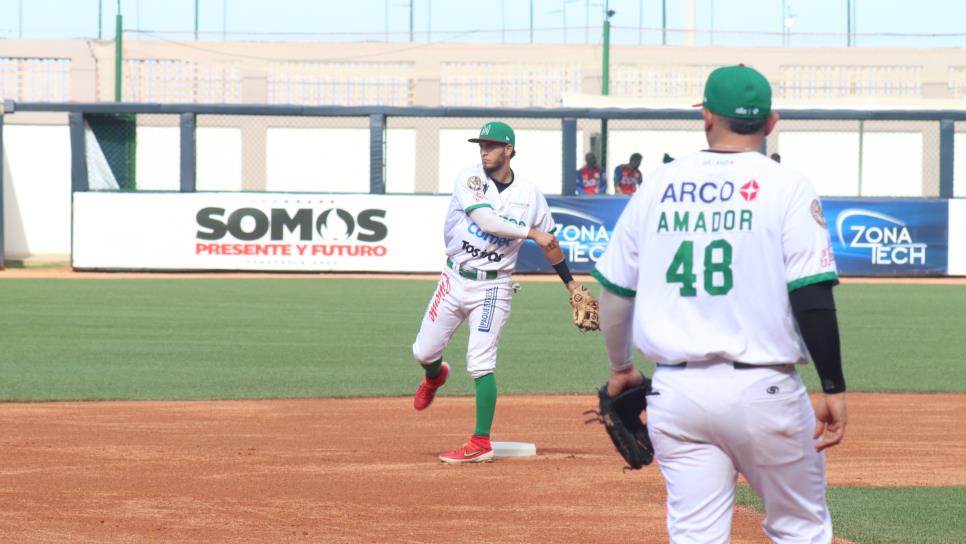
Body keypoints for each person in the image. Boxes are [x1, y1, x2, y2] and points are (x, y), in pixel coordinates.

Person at [592, 65, 847, 542]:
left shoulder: (658, 185)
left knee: (695, 535)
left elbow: (617, 291)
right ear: (771, 123)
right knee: (800, 529)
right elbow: (811, 293)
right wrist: (832, 386)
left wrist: (621, 366)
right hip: (765, 391)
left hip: (677, 394)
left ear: (706, 117)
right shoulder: (787, 186)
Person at [411, 121, 590, 464]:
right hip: (454, 279)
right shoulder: (470, 178)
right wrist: (531, 233)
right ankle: (435, 376)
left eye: (492, 145)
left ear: (509, 150)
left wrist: (571, 284)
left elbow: (550, 242)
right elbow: (488, 222)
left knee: (481, 360)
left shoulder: (530, 194)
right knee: (423, 351)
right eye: (482, 144)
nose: (484, 150)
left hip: (494, 285)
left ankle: (480, 441)